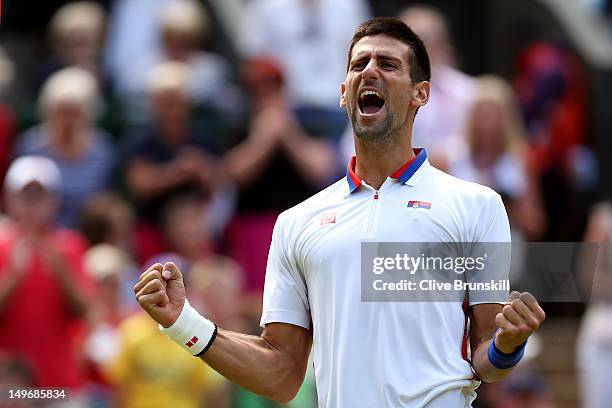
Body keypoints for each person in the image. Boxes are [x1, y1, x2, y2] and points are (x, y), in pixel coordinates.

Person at [134, 18, 546, 407]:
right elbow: (282, 373)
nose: (369, 71)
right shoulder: (297, 222)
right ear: (343, 92)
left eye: (387, 64)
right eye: (359, 64)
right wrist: (183, 322)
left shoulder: (477, 205)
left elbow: (486, 359)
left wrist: (508, 344)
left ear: (421, 93)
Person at [0, 156, 91, 398]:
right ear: (8, 199)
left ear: (53, 201)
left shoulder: (70, 246)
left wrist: (63, 274)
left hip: (59, 386)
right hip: (9, 389)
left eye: (39, 196)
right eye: (25, 196)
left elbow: (86, 312)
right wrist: (13, 275)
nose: (32, 205)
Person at [14, 67, 116, 228]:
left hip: (89, 233)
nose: (68, 120)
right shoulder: (31, 146)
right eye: (62, 113)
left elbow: (106, 203)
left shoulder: (103, 150)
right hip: (37, 230)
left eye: (74, 113)